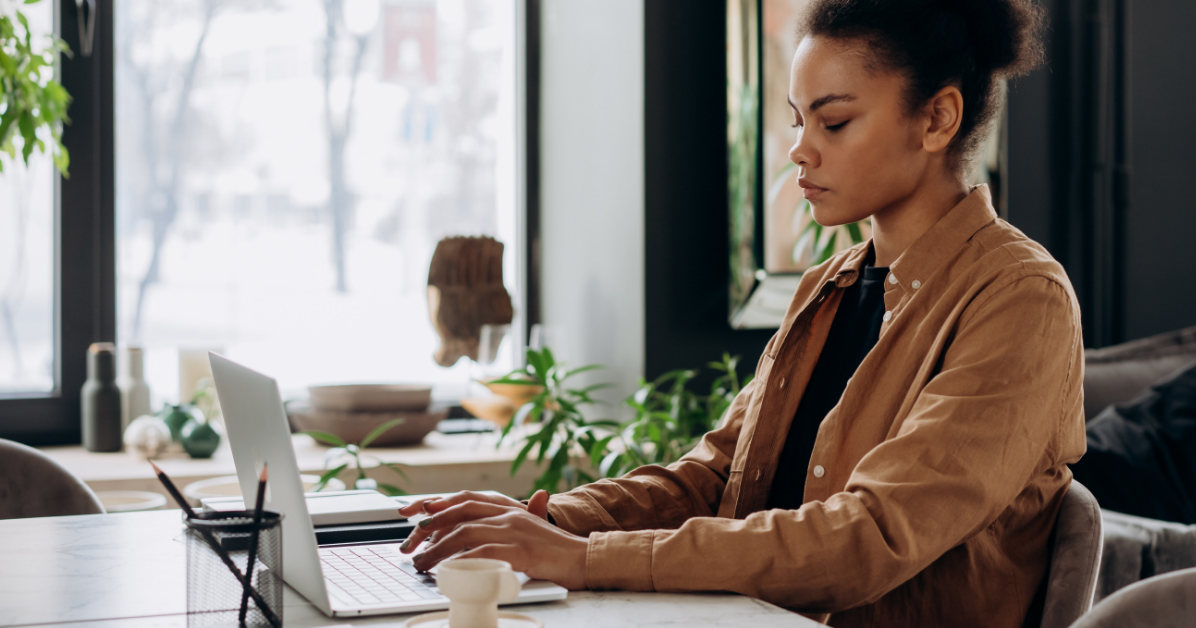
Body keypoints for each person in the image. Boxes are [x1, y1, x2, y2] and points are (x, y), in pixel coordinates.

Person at [398, 1, 1085, 625]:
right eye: (798, 119)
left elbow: (868, 538)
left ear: (937, 118)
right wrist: (542, 522)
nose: (800, 149)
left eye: (835, 121)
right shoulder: (835, 284)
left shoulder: (1021, 300)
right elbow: (718, 476)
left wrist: (580, 559)